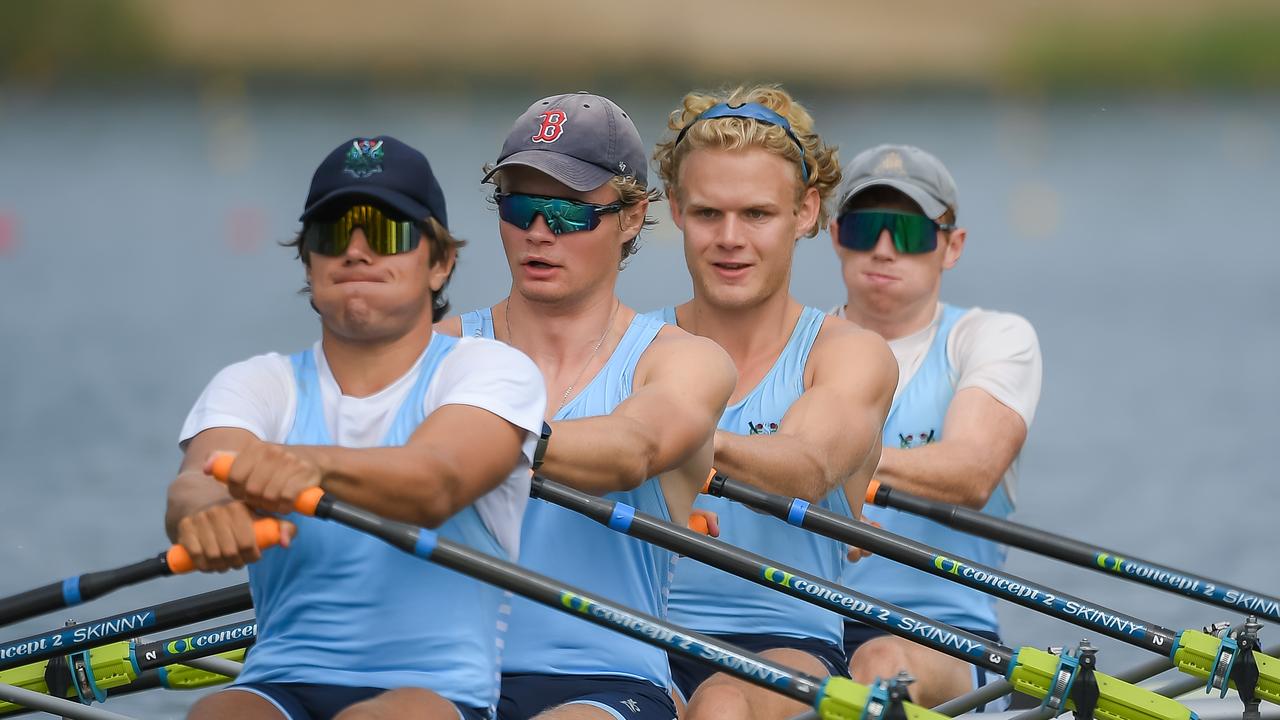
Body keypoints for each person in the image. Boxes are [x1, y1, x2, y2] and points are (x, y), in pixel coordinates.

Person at [164, 136, 547, 720]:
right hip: (278, 683)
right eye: (333, 234)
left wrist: (304, 467)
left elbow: (434, 483)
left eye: (387, 232)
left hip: (438, 695)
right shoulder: (259, 383)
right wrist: (206, 517)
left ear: (439, 263)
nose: (357, 253)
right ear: (309, 261)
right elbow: (198, 481)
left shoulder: (489, 370)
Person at [435, 92, 736, 720]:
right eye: (519, 206)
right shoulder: (436, 353)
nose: (538, 232)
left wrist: (493, 436)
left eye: (569, 210)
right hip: (443, 677)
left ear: (631, 217)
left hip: (603, 684)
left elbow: (633, 451)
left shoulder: (682, 361)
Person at [648, 85, 897, 720]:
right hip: (635, 636)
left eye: (756, 214)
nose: (730, 238)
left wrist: (667, 440)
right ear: (675, 209)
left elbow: (808, 465)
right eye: (707, 214)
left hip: (786, 645)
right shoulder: (634, 346)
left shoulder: (846, 354)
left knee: (722, 706)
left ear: (806, 212)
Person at [830, 144, 1043, 710]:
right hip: (803, 627)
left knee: (878, 665)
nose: (882, 249)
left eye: (909, 233)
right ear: (834, 236)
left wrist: (819, 461)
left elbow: (972, 470)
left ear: (952, 246)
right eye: (864, 227)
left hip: (943, 641)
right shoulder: (795, 347)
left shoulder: (989, 340)